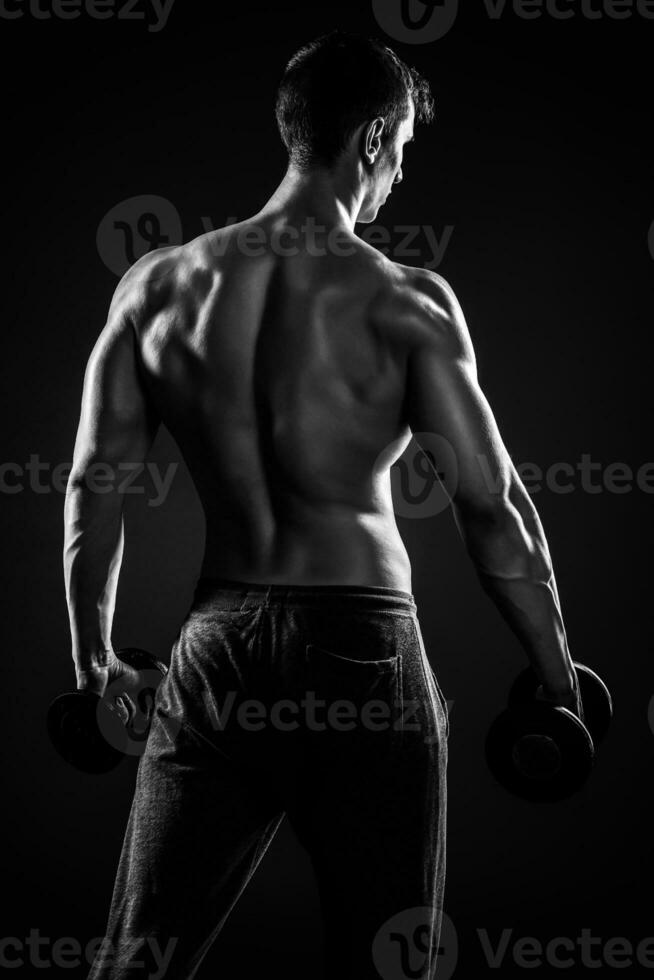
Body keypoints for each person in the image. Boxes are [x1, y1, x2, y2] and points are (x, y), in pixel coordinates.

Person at [64, 30, 582, 980]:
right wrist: (555, 676)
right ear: (375, 136)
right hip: (365, 650)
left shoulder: (159, 286)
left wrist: (94, 658)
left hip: (218, 646)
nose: (396, 180)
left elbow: (95, 485)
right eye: (401, 155)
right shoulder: (408, 303)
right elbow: (495, 508)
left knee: (138, 963)